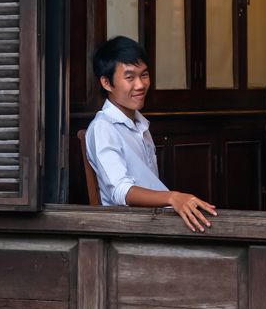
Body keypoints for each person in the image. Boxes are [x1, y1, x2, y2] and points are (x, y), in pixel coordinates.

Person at [85, 35, 218, 233]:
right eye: (129, 77)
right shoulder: (103, 127)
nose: (140, 85)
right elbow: (121, 192)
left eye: (144, 75)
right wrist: (173, 197)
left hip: (155, 222)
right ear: (106, 83)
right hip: (131, 229)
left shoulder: (140, 123)